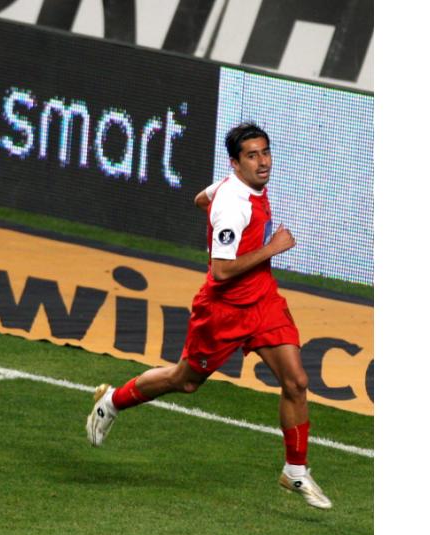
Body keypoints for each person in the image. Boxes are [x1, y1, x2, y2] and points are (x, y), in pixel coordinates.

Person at [86, 122, 332, 510]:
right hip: (223, 312)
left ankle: (295, 470)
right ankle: (113, 401)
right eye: (252, 156)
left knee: (296, 381)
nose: (263, 162)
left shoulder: (235, 187)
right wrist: (272, 248)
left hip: (263, 302)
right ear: (235, 162)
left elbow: (201, 197)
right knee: (184, 381)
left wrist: (216, 207)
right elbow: (220, 270)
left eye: (265, 152)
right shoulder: (233, 206)